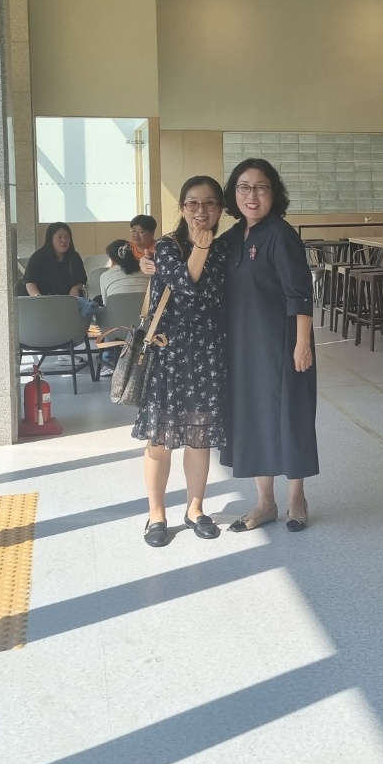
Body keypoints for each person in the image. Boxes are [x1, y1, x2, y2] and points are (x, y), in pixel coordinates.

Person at [221, 158, 319, 533]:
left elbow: (300, 293)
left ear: (273, 193)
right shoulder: (233, 237)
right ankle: (265, 503)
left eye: (261, 187)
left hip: (283, 343)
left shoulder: (280, 234)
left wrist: (302, 344)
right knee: (253, 418)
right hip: (243, 346)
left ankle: (297, 498)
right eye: (244, 187)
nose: (252, 195)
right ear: (234, 193)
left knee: (289, 416)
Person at [132, 178, 232, 547]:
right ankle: (156, 513)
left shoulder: (225, 249)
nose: (201, 211)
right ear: (182, 208)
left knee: (199, 438)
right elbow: (186, 284)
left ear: (220, 209)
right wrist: (200, 247)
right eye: (192, 203)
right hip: (168, 354)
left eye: (209, 203)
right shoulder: (166, 247)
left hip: (208, 355)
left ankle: (195, 508)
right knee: (159, 440)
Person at [20, 222, 87, 297]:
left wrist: (75, 288)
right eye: (59, 237)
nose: (64, 240)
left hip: (66, 300)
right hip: (40, 299)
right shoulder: (38, 257)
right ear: (51, 239)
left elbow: (81, 280)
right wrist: (39, 299)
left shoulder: (74, 257)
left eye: (67, 237)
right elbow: (30, 284)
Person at [99, 238, 151, 303]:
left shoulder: (104, 276)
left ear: (112, 260)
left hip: (117, 309)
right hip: (145, 309)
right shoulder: (147, 272)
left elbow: (105, 304)